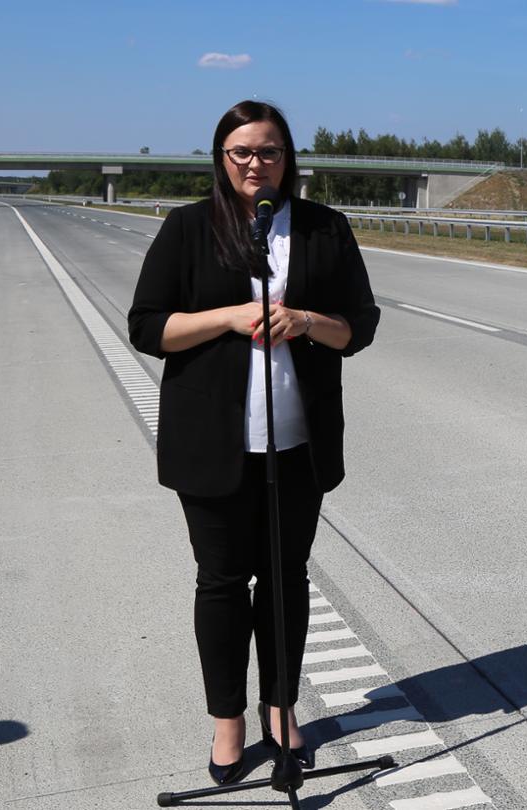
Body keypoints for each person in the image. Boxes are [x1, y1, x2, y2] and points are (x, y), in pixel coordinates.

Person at [127, 100, 380, 785]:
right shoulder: (187, 229)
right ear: (220, 159)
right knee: (220, 583)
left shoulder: (326, 230)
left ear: (287, 158)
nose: (255, 164)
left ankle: (283, 712)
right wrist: (229, 317)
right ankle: (227, 724)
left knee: (285, 582)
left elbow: (360, 326)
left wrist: (303, 319)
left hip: (298, 445)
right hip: (211, 444)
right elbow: (147, 328)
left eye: (268, 151)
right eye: (241, 153)